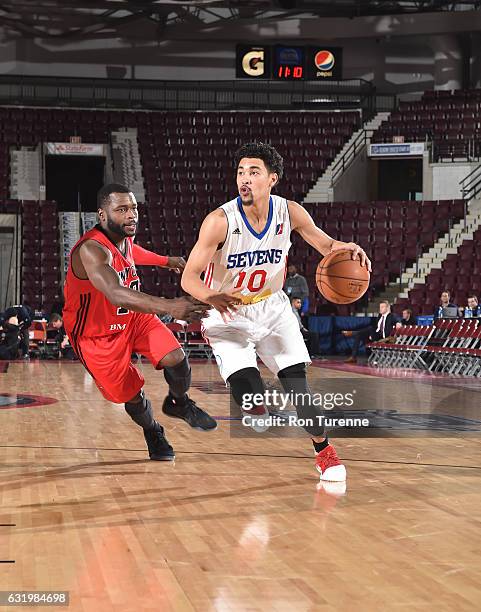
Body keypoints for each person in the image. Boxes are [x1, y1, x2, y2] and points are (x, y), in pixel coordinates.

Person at [181, 142, 371, 483]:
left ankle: (324, 453)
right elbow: (188, 278)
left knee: (298, 387)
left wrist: (347, 247)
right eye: (240, 172)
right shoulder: (219, 221)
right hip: (229, 311)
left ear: (272, 179)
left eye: (254, 172)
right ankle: (254, 405)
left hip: (272, 307)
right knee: (254, 404)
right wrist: (212, 297)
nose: (245, 179)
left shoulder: (290, 212)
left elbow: (326, 245)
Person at [62, 183, 216, 462]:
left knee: (176, 358)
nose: (131, 215)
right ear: (102, 214)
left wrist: (167, 261)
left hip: (133, 318)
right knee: (131, 395)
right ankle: (153, 430)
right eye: (122, 210)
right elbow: (116, 293)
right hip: (96, 336)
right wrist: (170, 306)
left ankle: (179, 404)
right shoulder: (91, 251)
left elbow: (135, 253)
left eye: (133, 208)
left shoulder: (123, 238)